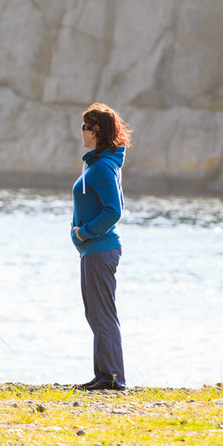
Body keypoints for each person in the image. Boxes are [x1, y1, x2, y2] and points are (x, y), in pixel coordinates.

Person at [71, 103, 132, 391]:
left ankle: (112, 378)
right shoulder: (98, 163)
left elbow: (114, 210)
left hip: (100, 248)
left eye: (85, 126)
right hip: (93, 250)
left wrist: (84, 232)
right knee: (95, 312)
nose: (81, 131)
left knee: (102, 312)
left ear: (95, 131)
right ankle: (103, 375)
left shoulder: (104, 166)